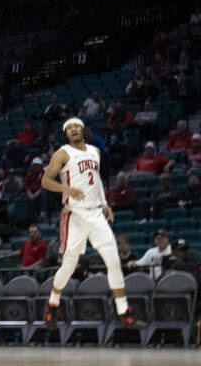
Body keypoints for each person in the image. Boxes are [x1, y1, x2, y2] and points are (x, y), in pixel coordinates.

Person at [42, 117, 146, 330]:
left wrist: (105, 203)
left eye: (75, 126)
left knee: (114, 261)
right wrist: (66, 189)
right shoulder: (62, 153)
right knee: (69, 266)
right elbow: (45, 181)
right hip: (74, 214)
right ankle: (53, 304)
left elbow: (96, 178)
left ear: (82, 129)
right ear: (66, 133)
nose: (72, 130)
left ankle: (123, 312)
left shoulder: (94, 151)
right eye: (68, 128)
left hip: (96, 213)